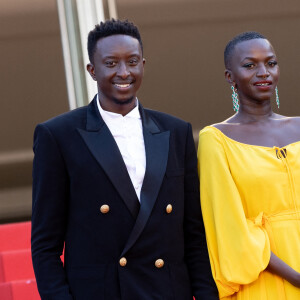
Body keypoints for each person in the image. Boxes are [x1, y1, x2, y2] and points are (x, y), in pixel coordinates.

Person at [31, 19, 218, 300]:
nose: (124, 72)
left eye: (132, 61)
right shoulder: (58, 135)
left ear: (143, 64)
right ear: (92, 70)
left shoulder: (176, 131)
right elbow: (45, 245)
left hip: (166, 291)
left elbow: (194, 234)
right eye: (111, 63)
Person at [198, 31, 300, 299]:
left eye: (271, 63)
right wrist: (296, 277)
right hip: (265, 278)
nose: (264, 72)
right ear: (230, 77)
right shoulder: (215, 139)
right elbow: (227, 226)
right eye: (250, 65)